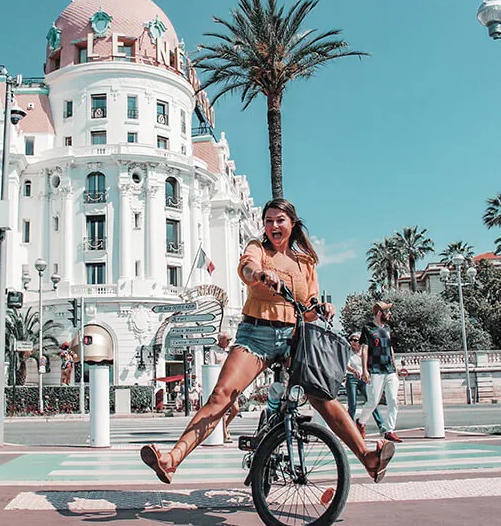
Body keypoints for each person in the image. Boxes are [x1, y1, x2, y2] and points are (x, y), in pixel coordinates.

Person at [140, 198, 395, 484]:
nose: (273, 225)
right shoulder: (257, 248)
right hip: (255, 335)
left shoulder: (306, 262)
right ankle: (172, 459)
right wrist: (260, 273)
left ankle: (369, 459)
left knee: (323, 398)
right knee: (222, 395)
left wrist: (320, 308)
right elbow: (247, 270)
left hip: (295, 338)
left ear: (292, 224)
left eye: (279, 220)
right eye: (268, 220)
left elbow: (308, 307)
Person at [356, 301, 403, 443]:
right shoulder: (368, 329)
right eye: (387, 312)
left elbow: (390, 348)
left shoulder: (387, 329)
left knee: (393, 400)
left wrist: (395, 367)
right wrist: (365, 370)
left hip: (389, 370)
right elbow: (364, 349)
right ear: (379, 313)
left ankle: (389, 431)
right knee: (373, 401)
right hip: (375, 370)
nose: (389, 314)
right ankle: (361, 422)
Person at [345, 332, 384, 434]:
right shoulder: (348, 351)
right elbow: (346, 364)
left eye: (355, 340)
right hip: (351, 378)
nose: (352, 342)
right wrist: (353, 371)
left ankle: (381, 424)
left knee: (371, 401)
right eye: (351, 340)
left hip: (363, 378)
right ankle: (351, 428)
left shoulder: (365, 351)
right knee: (352, 404)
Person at [208, 331, 239, 443]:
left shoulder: (230, 350)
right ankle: (225, 433)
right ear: (220, 340)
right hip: (220, 383)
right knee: (223, 410)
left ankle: (224, 426)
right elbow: (211, 366)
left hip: (231, 381)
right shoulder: (213, 350)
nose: (229, 342)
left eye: (230, 340)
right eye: (227, 340)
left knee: (236, 409)